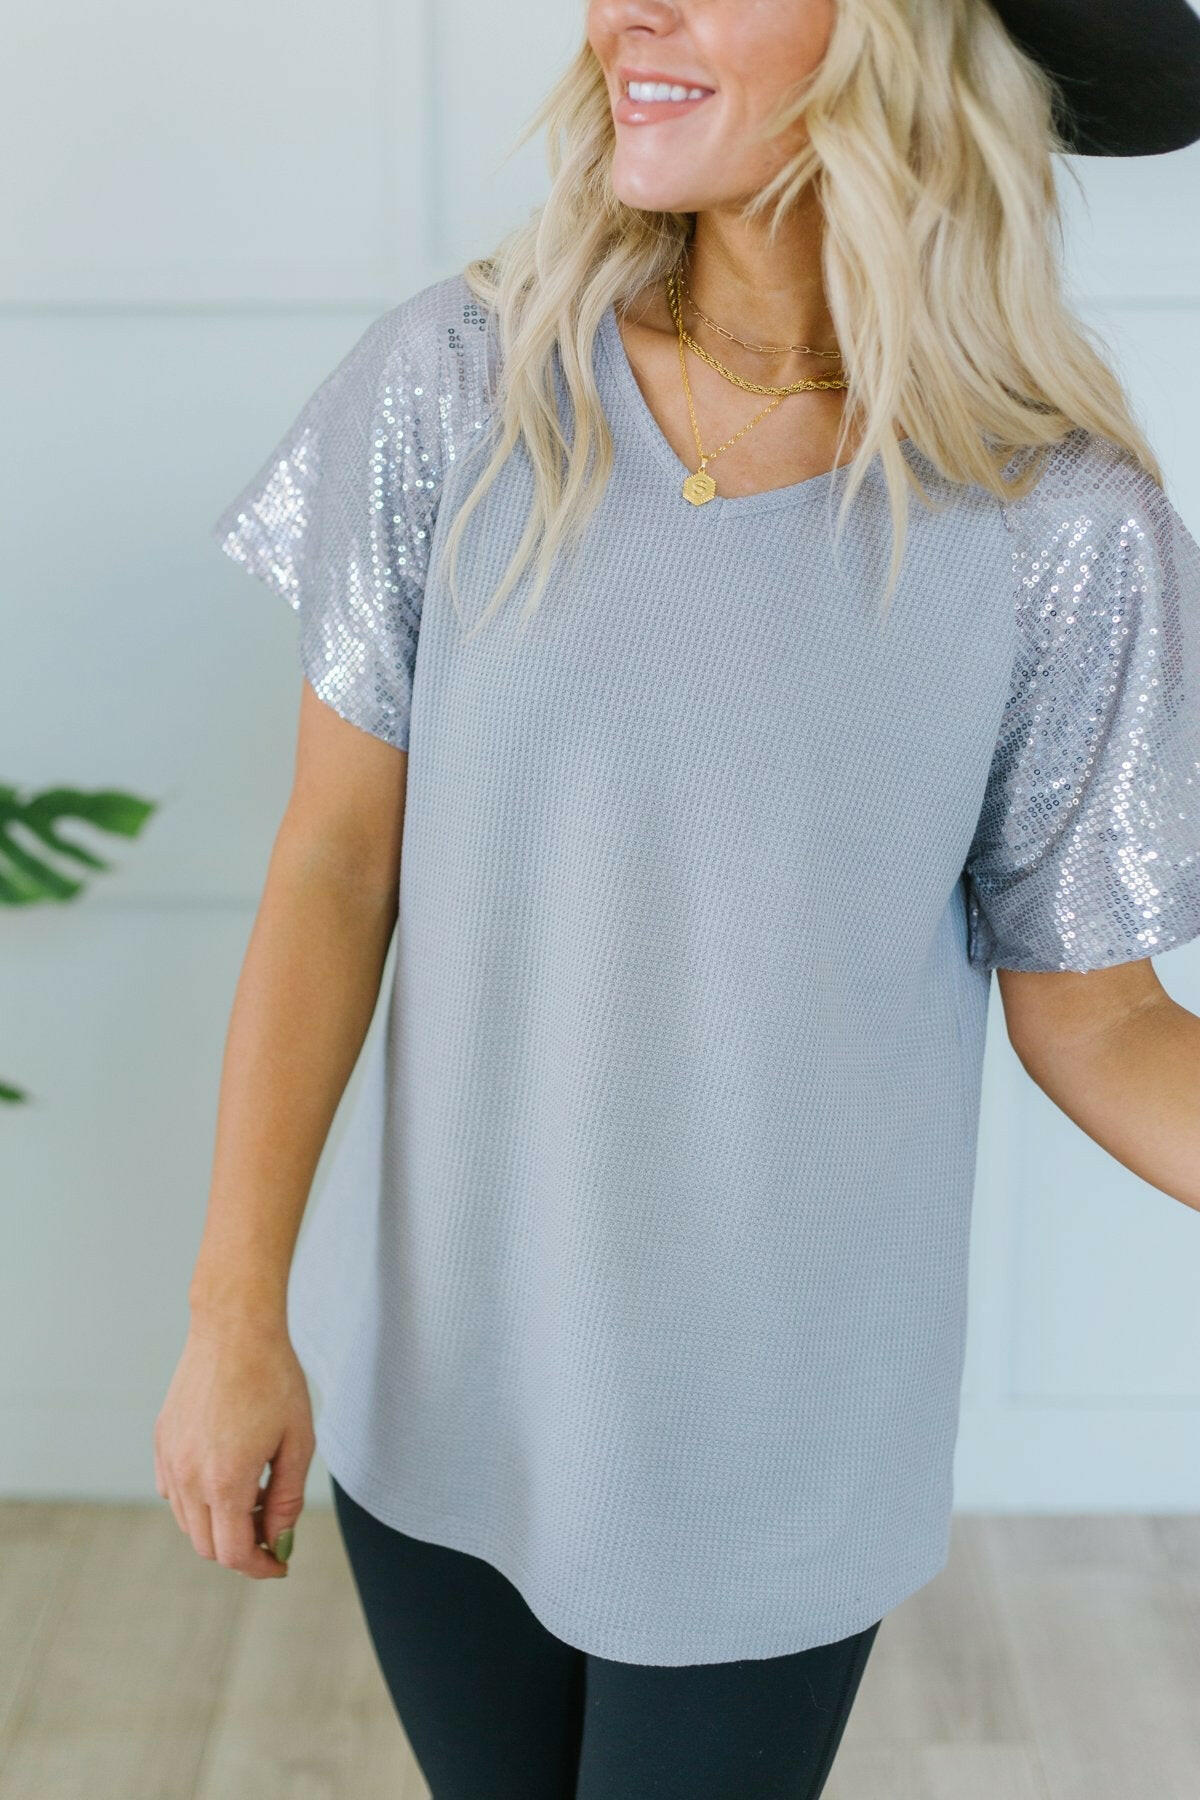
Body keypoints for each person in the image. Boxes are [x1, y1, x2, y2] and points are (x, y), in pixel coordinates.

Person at [155, 2, 1200, 1795]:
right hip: (450, 1395)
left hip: (774, 1441)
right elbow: (335, 866)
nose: (627, 9)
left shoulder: (1057, 527)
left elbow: (1098, 1016)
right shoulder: (460, 385)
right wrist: (233, 1314)